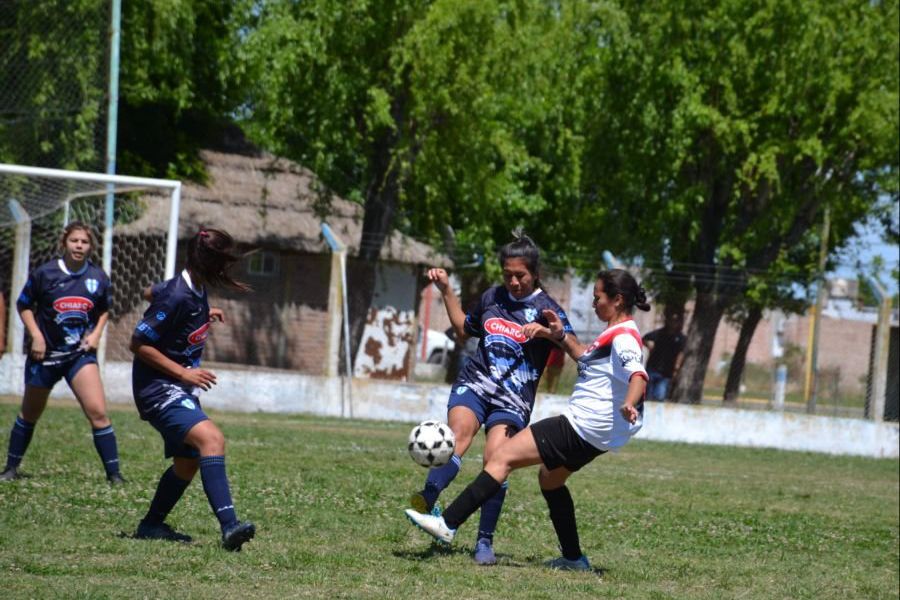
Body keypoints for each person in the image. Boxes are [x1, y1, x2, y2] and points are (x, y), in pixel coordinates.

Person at [405, 269, 650, 572]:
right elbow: (585, 356)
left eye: (597, 297)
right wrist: (555, 334)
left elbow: (637, 374)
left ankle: (447, 523)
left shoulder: (625, 337)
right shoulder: (614, 332)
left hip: (582, 425)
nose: (593, 304)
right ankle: (574, 559)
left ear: (617, 299)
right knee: (551, 479)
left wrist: (629, 402)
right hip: (600, 434)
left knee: (501, 457)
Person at [409, 230, 575, 565]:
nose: (513, 282)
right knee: (458, 436)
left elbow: (573, 348)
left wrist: (551, 332)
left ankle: (484, 540)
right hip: (476, 382)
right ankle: (429, 496)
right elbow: (463, 328)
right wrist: (446, 290)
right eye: (508, 275)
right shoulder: (491, 298)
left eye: (520, 276)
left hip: (513, 400)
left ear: (535, 273)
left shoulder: (547, 309)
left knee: (494, 460)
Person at [130, 227, 255, 551]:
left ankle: (151, 524)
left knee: (187, 464)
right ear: (211, 262)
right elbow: (138, 343)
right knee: (211, 439)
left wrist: (201, 313)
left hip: (174, 386)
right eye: (224, 262)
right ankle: (230, 528)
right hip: (158, 388)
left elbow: (150, 293)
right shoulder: (178, 295)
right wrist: (183, 373)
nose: (227, 270)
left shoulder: (190, 290)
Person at [0, 222, 125, 484]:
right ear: (64, 243)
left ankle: (114, 475)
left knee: (98, 412)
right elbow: (23, 305)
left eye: (84, 242)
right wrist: (36, 335)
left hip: (79, 355)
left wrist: (95, 334)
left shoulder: (98, 277)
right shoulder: (45, 274)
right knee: (29, 413)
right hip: (44, 356)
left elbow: (104, 309)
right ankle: (11, 468)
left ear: (91, 246)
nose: (79, 246)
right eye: (74, 241)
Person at [643, 308, 685, 401]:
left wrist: (676, 369)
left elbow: (681, 353)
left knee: (660, 396)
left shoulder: (680, 338)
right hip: (653, 368)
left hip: (667, 372)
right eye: (671, 320)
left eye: (676, 321)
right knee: (648, 395)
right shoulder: (659, 333)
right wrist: (649, 345)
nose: (673, 323)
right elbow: (644, 338)